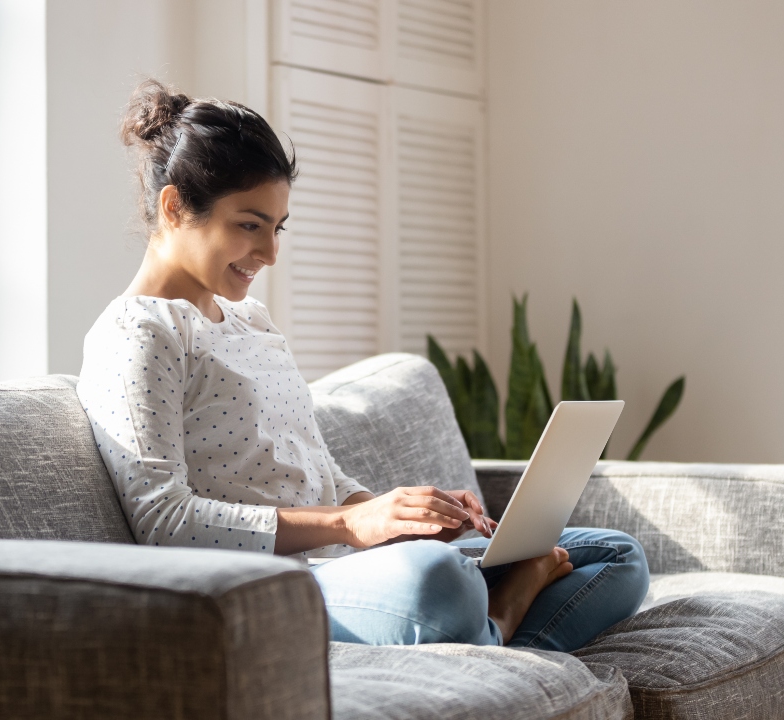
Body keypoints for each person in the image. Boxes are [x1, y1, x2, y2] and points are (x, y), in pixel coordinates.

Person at [77, 79, 650, 652]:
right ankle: (502, 615)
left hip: (351, 572)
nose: (271, 253)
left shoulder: (251, 322)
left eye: (277, 229)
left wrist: (399, 515)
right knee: (440, 581)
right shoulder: (138, 333)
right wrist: (351, 526)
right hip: (269, 587)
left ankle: (491, 646)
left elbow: (321, 477)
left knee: (616, 555)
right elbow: (165, 524)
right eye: (249, 225)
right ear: (174, 206)